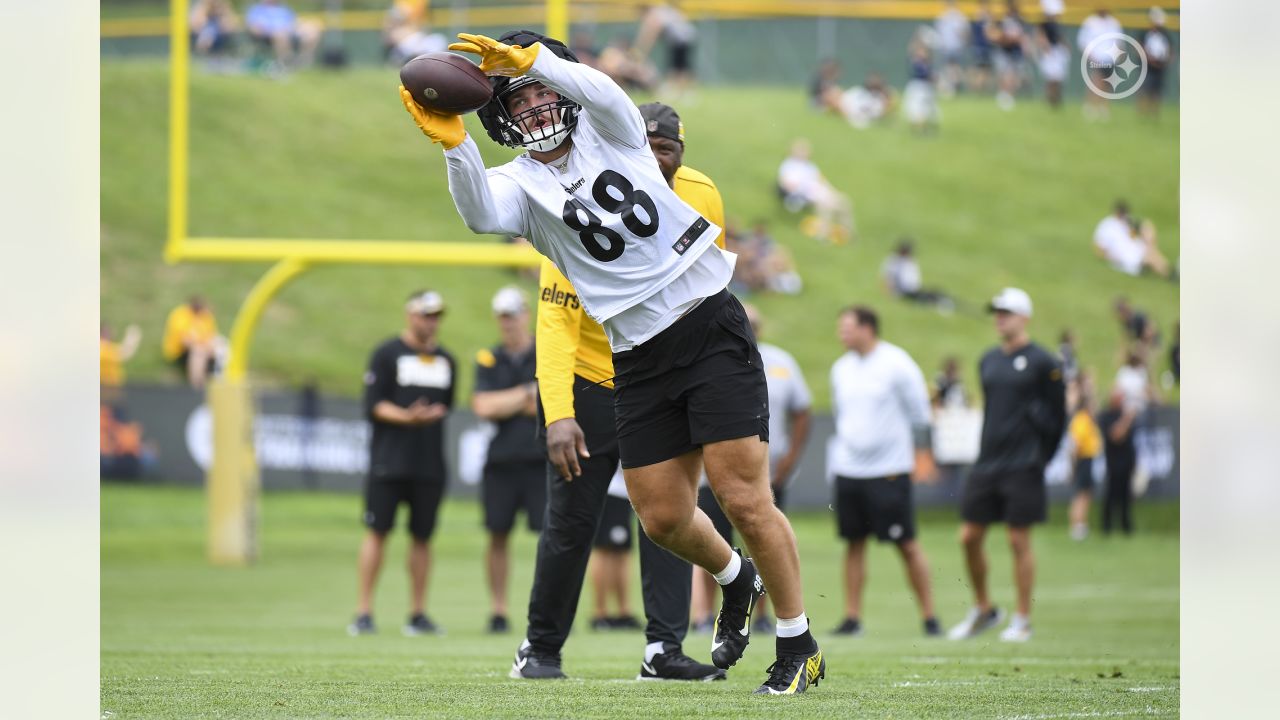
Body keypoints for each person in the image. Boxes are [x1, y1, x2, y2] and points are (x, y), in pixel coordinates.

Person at [399, 32, 824, 693]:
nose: (535, 106)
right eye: (518, 98)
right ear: (497, 115)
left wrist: (538, 63)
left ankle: (799, 645)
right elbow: (480, 212)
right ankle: (737, 579)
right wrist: (455, 147)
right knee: (661, 518)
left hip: (707, 323)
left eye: (542, 92)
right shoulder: (518, 183)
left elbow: (600, 90)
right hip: (637, 354)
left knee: (741, 494)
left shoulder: (614, 126)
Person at [504, 101, 728, 682]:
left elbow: (701, 296)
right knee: (572, 520)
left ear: (683, 153)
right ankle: (540, 647)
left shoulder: (702, 194)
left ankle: (663, 649)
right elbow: (553, 325)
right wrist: (558, 414)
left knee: (670, 517)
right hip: (588, 382)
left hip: (657, 378)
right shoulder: (577, 203)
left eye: (668, 151)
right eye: (645, 149)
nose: (656, 161)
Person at [949, 288, 1065, 643]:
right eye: (997, 312)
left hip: (1023, 463)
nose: (1000, 317)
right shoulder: (988, 360)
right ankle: (984, 609)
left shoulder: (1045, 362)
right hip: (988, 462)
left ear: (1024, 317)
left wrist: (1041, 457)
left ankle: (1022, 619)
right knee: (968, 537)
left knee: (1018, 539)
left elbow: (1058, 417)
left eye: (1007, 312)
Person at [690, 303, 812, 634]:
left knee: (762, 536)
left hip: (767, 472)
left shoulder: (780, 363)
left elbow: (803, 410)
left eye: (754, 323)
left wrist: (789, 460)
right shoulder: (705, 360)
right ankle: (703, 614)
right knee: (709, 542)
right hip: (712, 474)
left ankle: (767, 616)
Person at [827, 306, 941, 637]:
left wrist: (924, 457)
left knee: (905, 543)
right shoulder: (840, 369)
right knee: (853, 542)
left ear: (868, 328)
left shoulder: (897, 363)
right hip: (849, 470)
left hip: (889, 470)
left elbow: (920, 414)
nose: (842, 334)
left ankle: (930, 617)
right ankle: (852, 617)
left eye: (847, 327)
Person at [350, 290, 455, 637]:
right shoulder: (386, 353)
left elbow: (447, 405)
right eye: (425, 314)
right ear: (409, 314)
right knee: (378, 531)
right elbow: (374, 404)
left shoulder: (446, 360)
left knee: (422, 537)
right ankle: (363, 611)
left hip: (429, 463)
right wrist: (408, 418)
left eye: (436, 315)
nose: (431, 321)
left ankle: (418, 612)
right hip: (389, 461)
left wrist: (427, 416)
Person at [472, 286, 544, 634]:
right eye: (503, 316)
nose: (508, 322)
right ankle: (498, 610)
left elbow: (548, 404)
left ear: (526, 314)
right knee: (497, 534)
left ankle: (549, 607)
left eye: (513, 314)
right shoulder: (488, 357)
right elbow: (484, 407)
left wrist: (508, 402)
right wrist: (527, 394)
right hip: (501, 462)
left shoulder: (545, 351)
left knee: (552, 536)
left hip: (540, 459)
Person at [587, 471, 643, 631]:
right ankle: (600, 614)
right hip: (612, 488)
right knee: (605, 549)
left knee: (622, 552)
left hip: (623, 491)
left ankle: (623, 612)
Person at [778, 139, 855, 244]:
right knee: (825, 206)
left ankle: (847, 233)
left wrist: (833, 191)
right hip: (804, 194)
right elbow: (786, 183)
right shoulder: (789, 166)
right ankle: (823, 235)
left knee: (844, 201)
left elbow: (822, 180)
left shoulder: (810, 167)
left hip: (819, 191)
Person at [633, 1, 698, 98]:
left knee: (679, 67)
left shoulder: (654, 15)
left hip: (680, 39)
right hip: (686, 37)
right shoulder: (661, 11)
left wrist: (642, 51)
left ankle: (682, 92)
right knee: (681, 66)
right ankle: (684, 92)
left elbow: (650, 35)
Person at [1096, 387, 1138, 535]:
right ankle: (1106, 527)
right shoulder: (1106, 416)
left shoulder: (1124, 414)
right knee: (1111, 496)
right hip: (1113, 462)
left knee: (1127, 496)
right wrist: (1127, 419)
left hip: (1127, 461)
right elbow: (1115, 435)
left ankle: (1126, 527)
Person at [1093, 201, 1173, 278]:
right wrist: (1112, 258)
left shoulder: (1128, 221)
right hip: (1127, 257)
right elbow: (1100, 249)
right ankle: (1170, 274)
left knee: (1152, 252)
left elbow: (1142, 230)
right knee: (1152, 257)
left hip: (1137, 251)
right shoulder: (1107, 226)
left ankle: (1169, 272)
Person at [1066, 372, 1102, 541]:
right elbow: (1076, 445)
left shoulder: (1085, 418)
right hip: (1083, 459)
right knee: (1081, 494)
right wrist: (1073, 465)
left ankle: (1081, 524)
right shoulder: (1081, 419)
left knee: (1085, 493)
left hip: (1087, 459)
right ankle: (1077, 525)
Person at [161, 295, 221, 389]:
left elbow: (212, 337)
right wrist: (203, 346)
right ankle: (196, 385)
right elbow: (185, 342)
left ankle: (215, 383)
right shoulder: (181, 315)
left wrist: (209, 348)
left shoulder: (206, 317)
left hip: (204, 350)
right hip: (179, 352)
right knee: (198, 352)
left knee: (219, 349)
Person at [245, 0, 321, 70]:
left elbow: (294, 22)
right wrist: (268, 30)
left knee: (312, 29)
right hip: (269, 35)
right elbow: (254, 28)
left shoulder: (284, 9)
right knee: (280, 34)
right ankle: (287, 62)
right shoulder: (257, 9)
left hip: (289, 31)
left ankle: (304, 61)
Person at [881, 238, 953, 311]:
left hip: (914, 288)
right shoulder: (893, 261)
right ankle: (944, 304)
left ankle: (947, 302)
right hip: (903, 291)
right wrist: (890, 293)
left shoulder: (910, 260)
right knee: (925, 297)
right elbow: (888, 278)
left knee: (935, 291)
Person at [1077, 7, 1122, 120]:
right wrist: (1090, 56)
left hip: (1110, 58)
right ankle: (1090, 107)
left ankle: (1103, 107)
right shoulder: (1090, 22)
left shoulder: (1114, 23)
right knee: (1096, 82)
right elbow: (1083, 41)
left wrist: (1118, 55)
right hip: (1096, 58)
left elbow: (1119, 41)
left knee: (1107, 84)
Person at [383, 0, 446, 66]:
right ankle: (407, 60)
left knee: (439, 39)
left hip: (420, 41)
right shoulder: (399, 6)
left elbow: (425, 29)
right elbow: (390, 32)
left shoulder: (422, 6)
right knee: (413, 42)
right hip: (405, 44)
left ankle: (427, 60)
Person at [990, 0, 1028, 111]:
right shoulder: (1003, 21)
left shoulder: (1020, 21)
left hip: (1015, 52)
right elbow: (997, 36)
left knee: (1013, 75)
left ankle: (1009, 96)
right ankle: (1003, 96)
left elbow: (1021, 37)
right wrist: (1007, 38)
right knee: (1004, 75)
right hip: (1004, 51)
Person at [1139, 7, 1175, 118]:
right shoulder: (1145, 33)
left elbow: (1170, 50)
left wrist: (1167, 60)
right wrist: (1149, 59)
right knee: (1145, 89)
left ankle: (1154, 113)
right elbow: (1140, 47)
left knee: (1157, 90)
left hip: (1160, 66)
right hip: (1148, 66)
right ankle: (1143, 113)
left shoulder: (1165, 34)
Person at [933, 1, 970, 97]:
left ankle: (953, 89)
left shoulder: (956, 17)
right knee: (951, 69)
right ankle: (951, 89)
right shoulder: (951, 17)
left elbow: (963, 33)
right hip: (951, 47)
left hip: (952, 47)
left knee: (952, 69)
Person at [100, 322, 142, 399]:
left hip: (112, 392)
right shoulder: (102, 348)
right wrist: (132, 337)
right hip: (107, 394)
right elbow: (124, 353)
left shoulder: (107, 347)